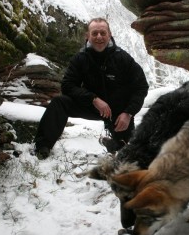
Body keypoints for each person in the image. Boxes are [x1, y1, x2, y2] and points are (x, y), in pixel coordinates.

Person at [33, 18, 149, 159]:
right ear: (87, 36)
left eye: (102, 33)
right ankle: (42, 147)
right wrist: (93, 99)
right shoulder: (80, 58)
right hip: (90, 105)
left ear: (109, 34)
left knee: (128, 149)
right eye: (94, 33)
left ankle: (114, 143)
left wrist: (129, 113)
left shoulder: (123, 58)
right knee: (59, 102)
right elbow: (67, 85)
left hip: (118, 112)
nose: (99, 37)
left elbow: (141, 86)